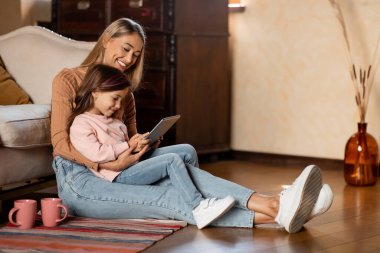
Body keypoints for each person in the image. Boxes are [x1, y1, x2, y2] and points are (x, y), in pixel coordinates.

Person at [51, 18, 333, 233]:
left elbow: (129, 136)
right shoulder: (68, 80)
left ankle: (269, 208)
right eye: (126, 49)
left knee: (183, 153)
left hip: (120, 165)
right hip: (82, 178)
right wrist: (107, 165)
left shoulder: (125, 93)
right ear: (107, 39)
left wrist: (144, 144)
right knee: (169, 195)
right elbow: (61, 144)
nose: (129, 59)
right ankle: (277, 208)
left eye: (136, 55)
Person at [67, 63, 235, 229]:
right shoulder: (81, 123)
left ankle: (198, 196)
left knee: (187, 150)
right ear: (95, 93)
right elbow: (98, 154)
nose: (118, 105)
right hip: (118, 174)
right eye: (115, 98)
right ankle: (198, 206)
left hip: (133, 163)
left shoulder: (113, 119)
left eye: (121, 100)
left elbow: (128, 148)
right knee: (171, 160)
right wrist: (127, 145)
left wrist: (147, 144)